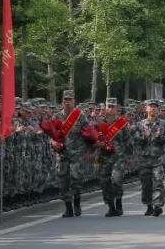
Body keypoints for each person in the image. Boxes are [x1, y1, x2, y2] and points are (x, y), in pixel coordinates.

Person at [53, 90, 88, 218]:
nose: (67, 102)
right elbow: (51, 134)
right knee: (63, 181)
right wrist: (53, 143)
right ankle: (68, 207)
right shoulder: (57, 116)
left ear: (74, 101)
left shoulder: (81, 116)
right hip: (62, 154)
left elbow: (88, 133)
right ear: (62, 101)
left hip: (77, 153)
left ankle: (77, 203)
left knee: (76, 179)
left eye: (70, 99)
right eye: (65, 100)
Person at [96, 98, 133, 217]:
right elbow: (93, 141)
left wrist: (128, 157)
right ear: (105, 108)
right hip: (103, 157)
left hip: (118, 158)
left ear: (117, 109)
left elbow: (128, 141)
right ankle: (111, 206)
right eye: (108, 106)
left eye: (113, 107)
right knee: (104, 181)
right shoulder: (99, 123)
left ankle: (119, 202)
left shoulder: (121, 124)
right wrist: (97, 145)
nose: (110, 109)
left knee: (116, 180)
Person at [135, 99, 165, 216]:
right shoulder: (140, 124)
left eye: (155, 107)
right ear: (146, 109)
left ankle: (157, 205)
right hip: (144, 159)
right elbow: (135, 141)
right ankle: (149, 205)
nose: (153, 109)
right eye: (150, 107)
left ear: (158, 109)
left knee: (158, 182)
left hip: (158, 158)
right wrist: (143, 137)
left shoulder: (163, 124)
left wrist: (160, 137)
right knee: (146, 184)